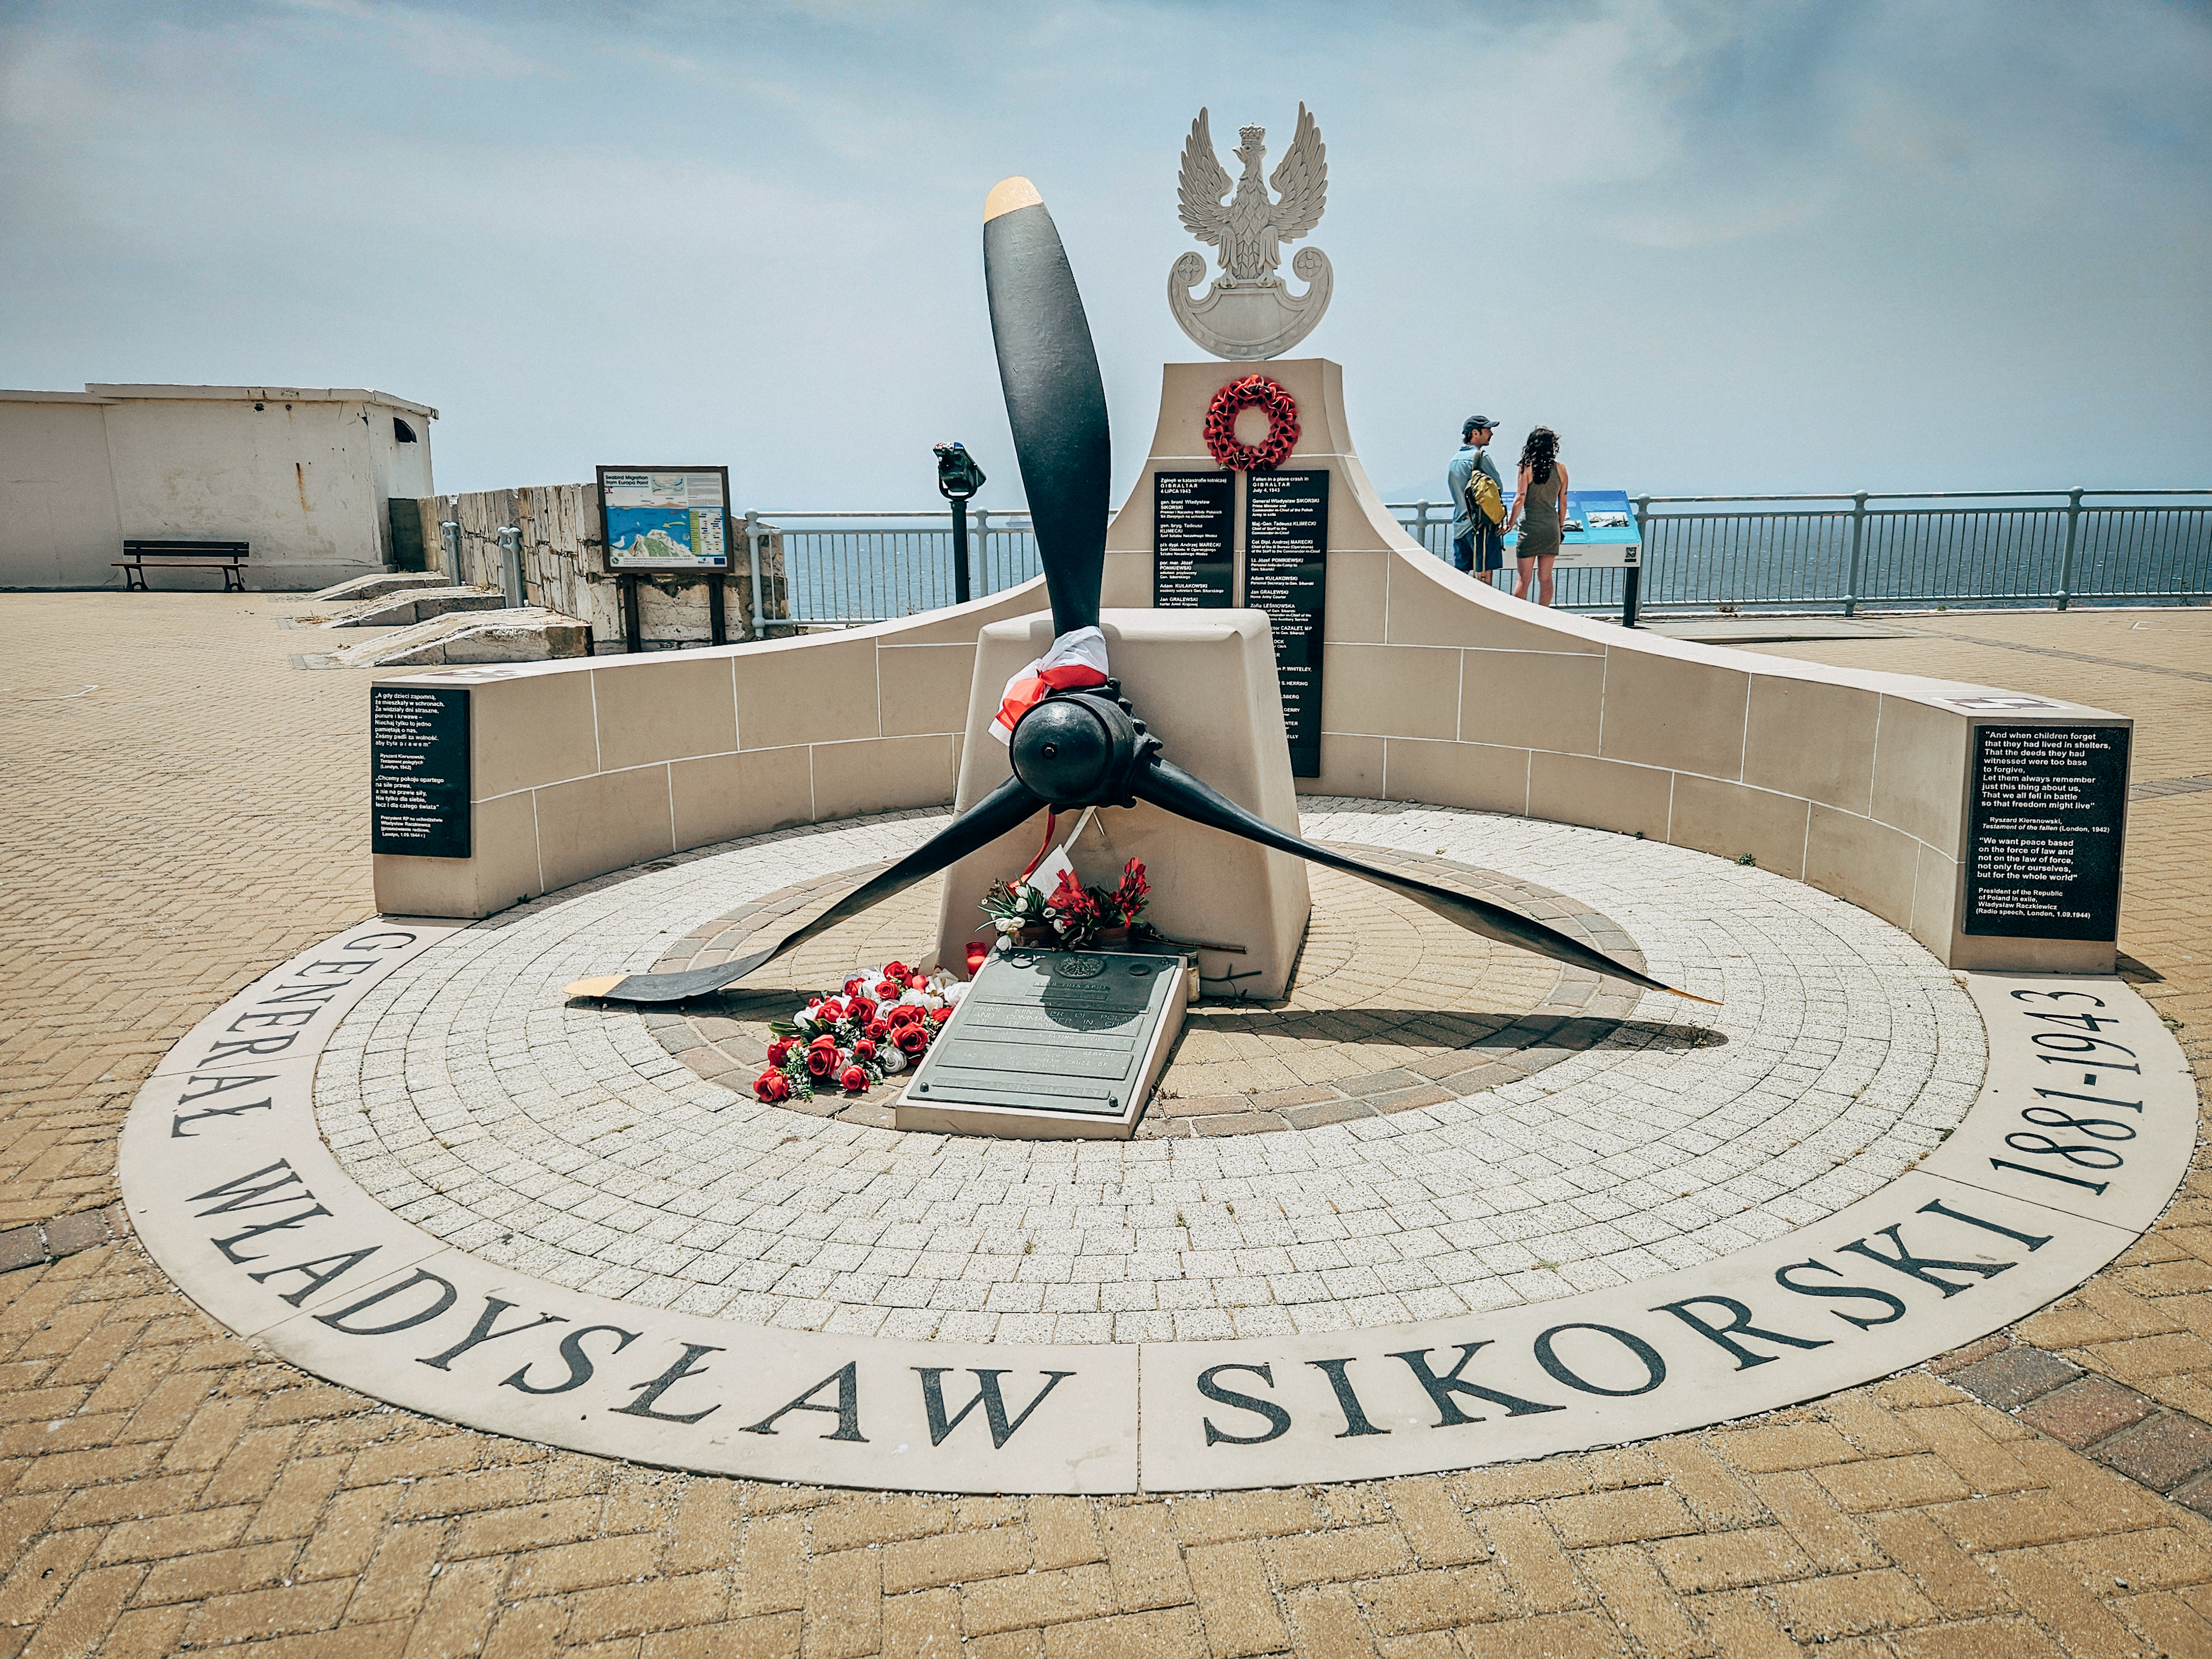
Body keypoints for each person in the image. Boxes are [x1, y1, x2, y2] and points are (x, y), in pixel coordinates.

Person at [1503, 426, 1568, 606]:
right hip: (1551, 528)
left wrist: (1510, 524)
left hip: (1530, 528)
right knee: (1546, 578)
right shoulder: (1561, 469)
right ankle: (1544, 618)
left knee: (1524, 579)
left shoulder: (1526, 468)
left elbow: (1520, 499)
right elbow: (1563, 503)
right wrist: (1560, 527)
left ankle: (1518, 619)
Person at [1445, 417, 1505, 585]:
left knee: (1461, 575)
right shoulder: (1481, 458)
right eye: (1487, 430)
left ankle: (1457, 609)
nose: (1491, 433)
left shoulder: (1454, 461)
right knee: (1484, 576)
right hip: (1482, 526)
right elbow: (1497, 488)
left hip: (1460, 525)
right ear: (1475, 433)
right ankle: (1484, 610)